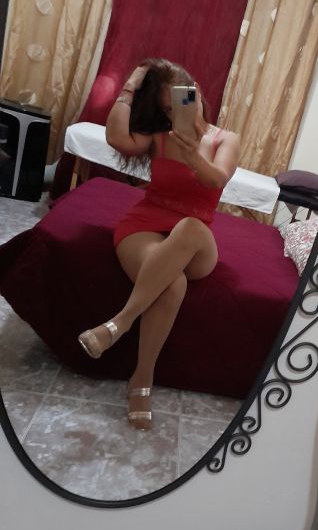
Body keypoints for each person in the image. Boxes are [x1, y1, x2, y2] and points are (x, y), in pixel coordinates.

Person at [78, 58, 240, 431]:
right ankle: (142, 380)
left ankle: (119, 323)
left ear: (196, 93)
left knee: (190, 228)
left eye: (181, 101)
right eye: (167, 108)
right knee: (172, 284)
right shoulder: (157, 137)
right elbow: (116, 138)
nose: (174, 113)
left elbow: (217, 180)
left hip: (194, 242)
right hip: (145, 225)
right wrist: (130, 84)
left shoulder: (224, 139)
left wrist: (193, 155)